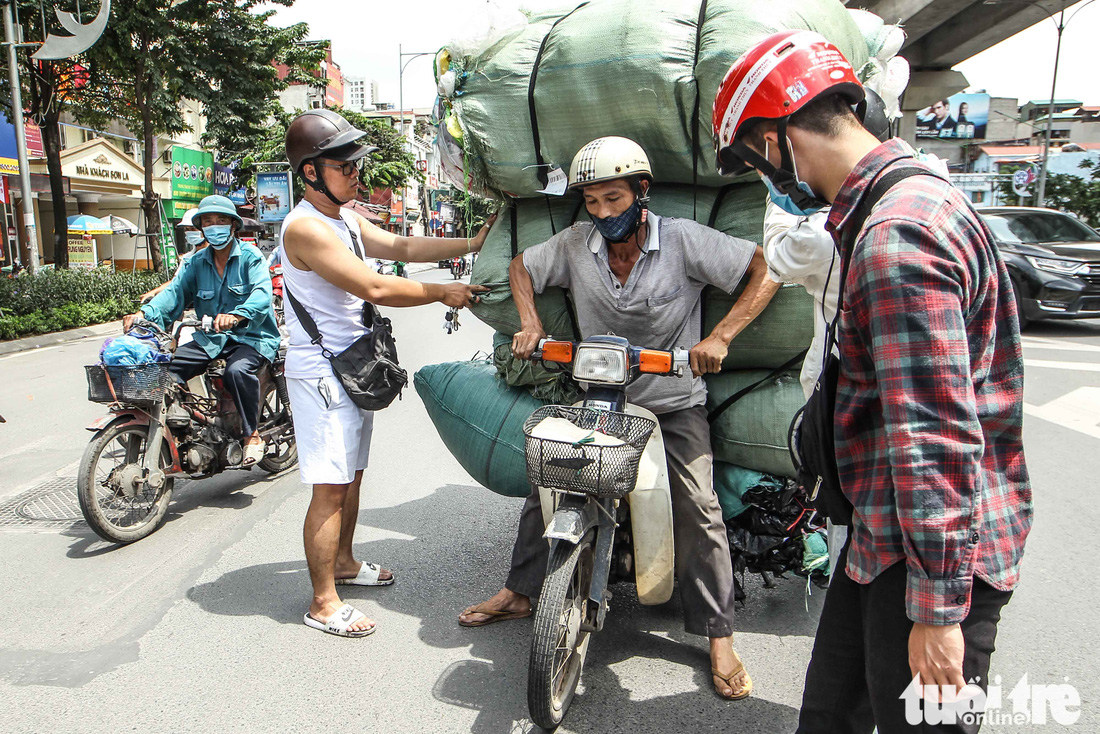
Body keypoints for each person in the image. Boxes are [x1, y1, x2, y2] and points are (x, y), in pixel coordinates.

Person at [714, 30, 1033, 732]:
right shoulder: (907, 200)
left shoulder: (896, 238)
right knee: (829, 716)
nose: (761, 177)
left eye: (750, 160)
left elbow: (936, 440)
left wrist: (938, 612)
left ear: (775, 139)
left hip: (924, 567)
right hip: (879, 538)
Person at [458, 135, 780, 701]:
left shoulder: (682, 240)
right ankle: (520, 590)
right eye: (593, 201)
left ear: (641, 192)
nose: (604, 213)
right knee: (552, 476)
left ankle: (718, 635)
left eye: (614, 198)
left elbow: (765, 269)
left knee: (698, 504)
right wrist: (530, 324)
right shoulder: (577, 244)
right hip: (600, 397)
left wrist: (721, 337)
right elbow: (520, 266)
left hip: (673, 401)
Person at [279, 109, 492, 639]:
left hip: (350, 366)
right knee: (330, 487)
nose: (357, 174)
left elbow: (399, 247)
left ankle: (345, 563)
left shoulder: (344, 218)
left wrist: (471, 245)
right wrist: (443, 291)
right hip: (323, 374)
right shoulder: (305, 227)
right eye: (344, 164)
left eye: (356, 163)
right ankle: (323, 601)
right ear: (311, 172)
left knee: (351, 476)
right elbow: (373, 286)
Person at [124, 194, 281, 466]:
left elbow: (261, 294)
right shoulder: (196, 263)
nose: (214, 226)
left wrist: (236, 315)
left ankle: (251, 435)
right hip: (211, 339)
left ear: (233, 225)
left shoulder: (249, 256)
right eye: (208, 221)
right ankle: (185, 426)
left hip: (252, 337)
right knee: (167, 369)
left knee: (236, 370)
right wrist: (143, 315)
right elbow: (173, 295)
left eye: (221, 220)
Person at [139, 208, 207, 303]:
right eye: (186, 229)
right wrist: (154, 293)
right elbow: (176, 282)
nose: (189, 232)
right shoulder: (187, 258)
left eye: (193, 229)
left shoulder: (216, 255)